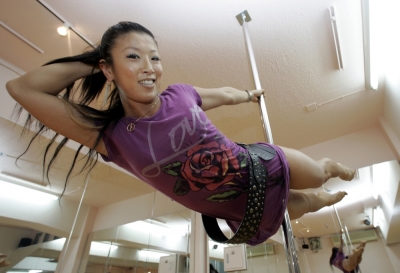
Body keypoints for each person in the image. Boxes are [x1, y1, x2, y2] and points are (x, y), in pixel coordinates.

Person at [6, 21, 355, 246]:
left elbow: (223, 94)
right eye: (133, 57)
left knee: (320, 173)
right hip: (246, 211)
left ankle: (336, 169)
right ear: (108, 69)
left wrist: (248, 95)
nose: (149, 67)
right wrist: (99, 58)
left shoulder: (180, 94)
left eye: (154, 58)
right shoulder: (109, 136)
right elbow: (23, 89)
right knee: (310, 203)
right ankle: (329, 199)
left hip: (262, 165)